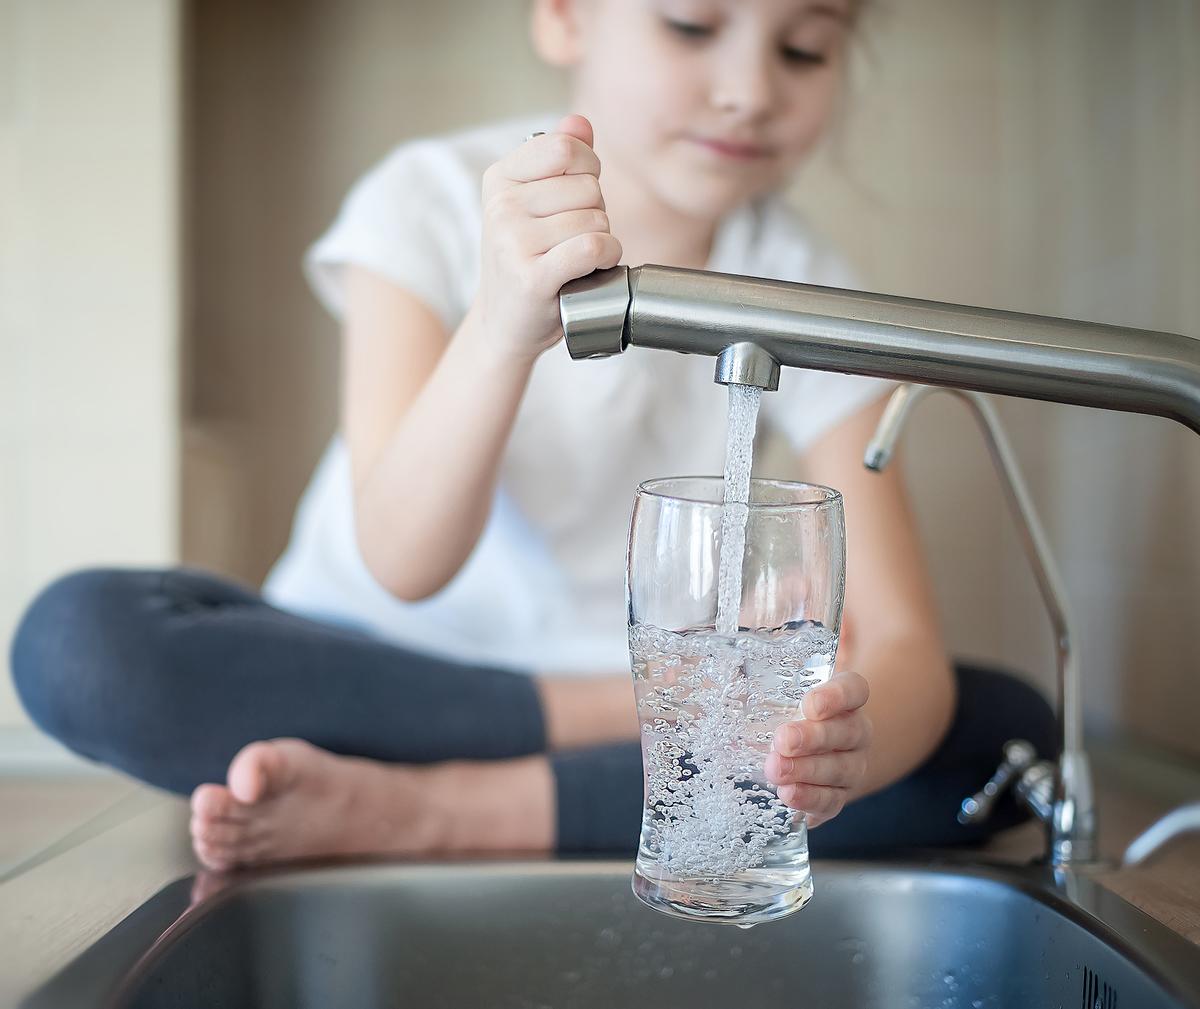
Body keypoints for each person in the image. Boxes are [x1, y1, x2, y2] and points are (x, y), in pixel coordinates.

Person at [11, 0, 1055, 871]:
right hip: (367, 675)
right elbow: (402, 561)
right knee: (82, 640)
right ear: (563, 15)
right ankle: (563, 763)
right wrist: (505, 323)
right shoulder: (427, 197)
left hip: (644, 714)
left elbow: (902, 643)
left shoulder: (810, 285)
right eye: (693, 25)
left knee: (1003, 735)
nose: (749, 89)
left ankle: (421, 814)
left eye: (803, 47)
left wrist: (829, 749)